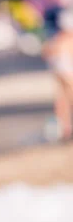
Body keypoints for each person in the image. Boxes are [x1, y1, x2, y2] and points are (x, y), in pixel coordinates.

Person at [42, 9, 73, 139]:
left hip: (59, 69)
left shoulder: (57, 38)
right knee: (66, 98)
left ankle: (65, 128)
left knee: (62, 100)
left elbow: (46, 52)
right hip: (66, 70)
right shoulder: (66, 39)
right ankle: (65, 128)